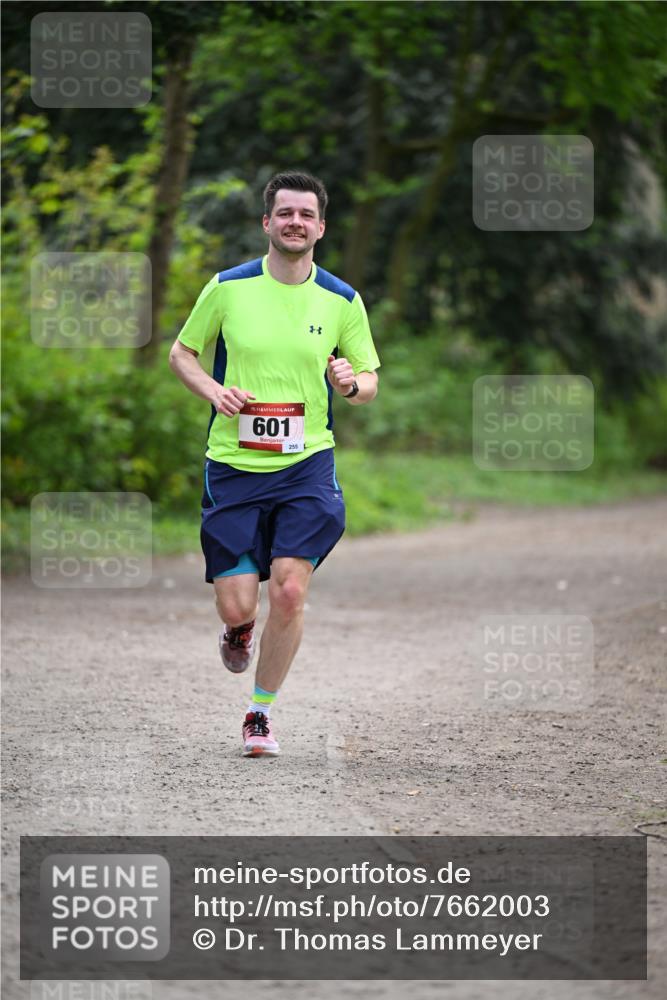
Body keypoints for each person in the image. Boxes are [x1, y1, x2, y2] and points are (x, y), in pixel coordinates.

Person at [169, 170, 380, 757]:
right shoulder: (228, 288)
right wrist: (214, 392)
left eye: (306, 215)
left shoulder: (342, 300)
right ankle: (237, 630)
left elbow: (367, 380)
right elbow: (181, 353)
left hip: (306, 463)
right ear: (267, 222)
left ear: (321, 227)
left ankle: (259, 714)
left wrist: (351, 382)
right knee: (241, 601)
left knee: (288, 592)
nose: (295, 223)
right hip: (234, 464)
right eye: (285, 213)